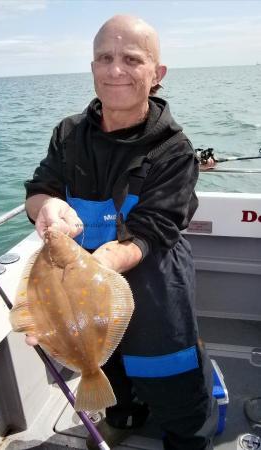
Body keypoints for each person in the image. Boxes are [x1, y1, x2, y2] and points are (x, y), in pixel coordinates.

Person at [24, 15, 218, 450]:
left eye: (132, 59)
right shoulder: (69, 133)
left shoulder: (174, 150)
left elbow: (152, 231)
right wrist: (49, 207)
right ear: (92, 66)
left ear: (156, 74)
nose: (115, 70)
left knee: (171, 376)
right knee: (106, 364)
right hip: (84, 281)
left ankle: (186, 436)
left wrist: (93, 268)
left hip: (153, 288)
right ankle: (123, 413)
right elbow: (39, 190)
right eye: (105, 58)